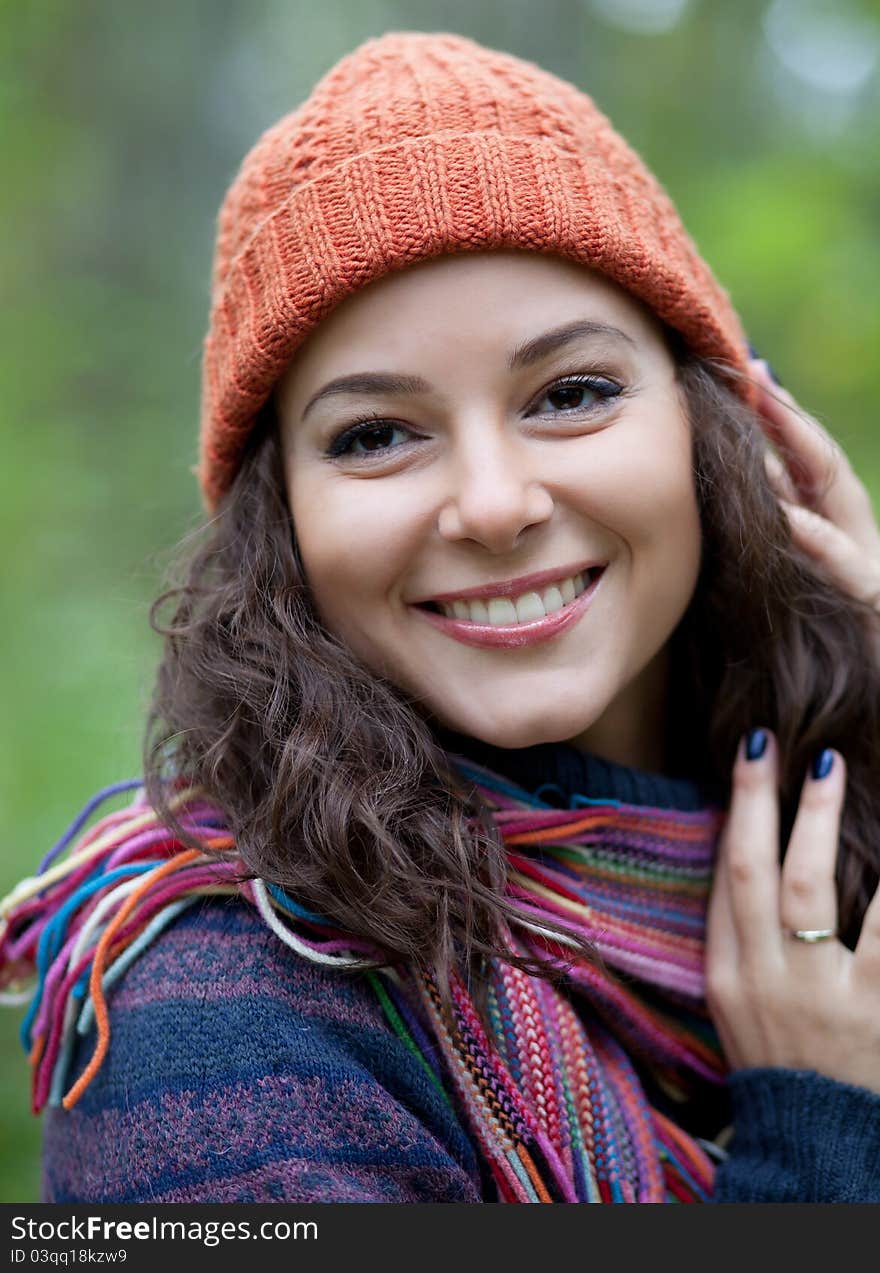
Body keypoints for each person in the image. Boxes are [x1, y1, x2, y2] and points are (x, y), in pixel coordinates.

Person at [2, 31, 880, 1205]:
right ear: (284, 523)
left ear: (717, 431)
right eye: (375, 434)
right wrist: (818, 1137)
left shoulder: (833, 839)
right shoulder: (212, 1013)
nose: (494, 504)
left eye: (570, 394)